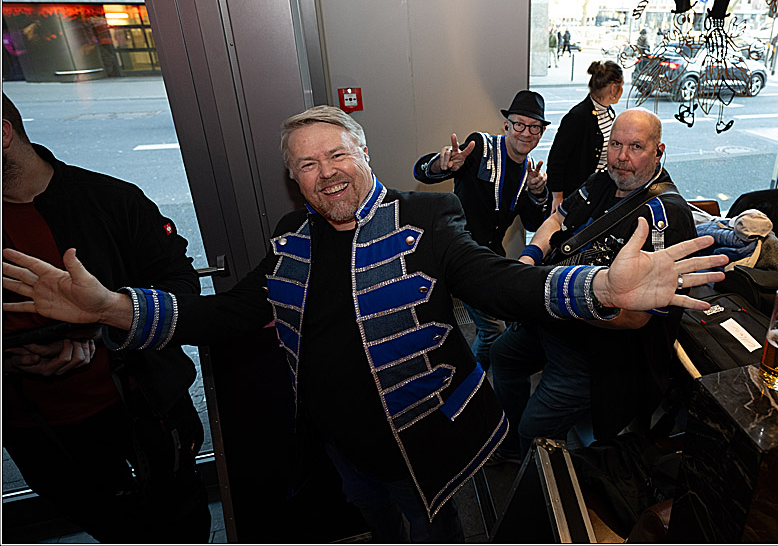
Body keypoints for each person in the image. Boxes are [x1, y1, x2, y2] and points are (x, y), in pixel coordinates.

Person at [3, 105, 728, 544]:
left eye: (336, 154)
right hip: (339, 446)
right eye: (306, 165)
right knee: (379, 522)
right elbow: (224, 314)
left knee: (434, 530)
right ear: (296, 181)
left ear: (363, 155)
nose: (325, 173)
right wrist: (111, 308)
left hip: (426, 445)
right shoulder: (291, 239)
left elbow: (501, 285)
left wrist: (600, 286)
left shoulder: (425, 217)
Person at [1, 95, 210, 543]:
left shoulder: (111, 201)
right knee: (107, 524)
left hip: (142, 407)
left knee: (180, 520)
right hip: (33, 428)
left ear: (4, 134)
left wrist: (100, 325)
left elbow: (181, 292)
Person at [490, 108, 695, 462]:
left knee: (533, 429)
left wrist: (554, 301)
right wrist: (528, 260)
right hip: (553, 318)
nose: (622, 158)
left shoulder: (667, 217)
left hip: (598, 352)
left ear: (658, 151)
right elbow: (557, 219)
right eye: (616, 145)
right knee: (502, 355)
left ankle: (536, 492)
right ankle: (510, 451)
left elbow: (637, 318)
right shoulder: (605, 180)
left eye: (635, 147)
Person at [413, 90, 552, 370]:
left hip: (489, 256)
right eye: (519, 124)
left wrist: (539, 194)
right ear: (507, 126)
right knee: (492, 332)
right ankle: (473, 383)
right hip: (456, 251)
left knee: (511, 318)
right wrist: (442, 165)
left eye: (534, 127)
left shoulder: (530, 172)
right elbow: (421, 173)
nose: (526, 133)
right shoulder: (481, 146)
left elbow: (534, 224)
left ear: (540, 133)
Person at [546, 59, 625, 210]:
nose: (622, 91)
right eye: (621, 86)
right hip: (579, 195)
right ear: (613, 88)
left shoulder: (608, 112)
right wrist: (557, 197)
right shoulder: (577, 117)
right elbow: (556, 160)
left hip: (600, 192)